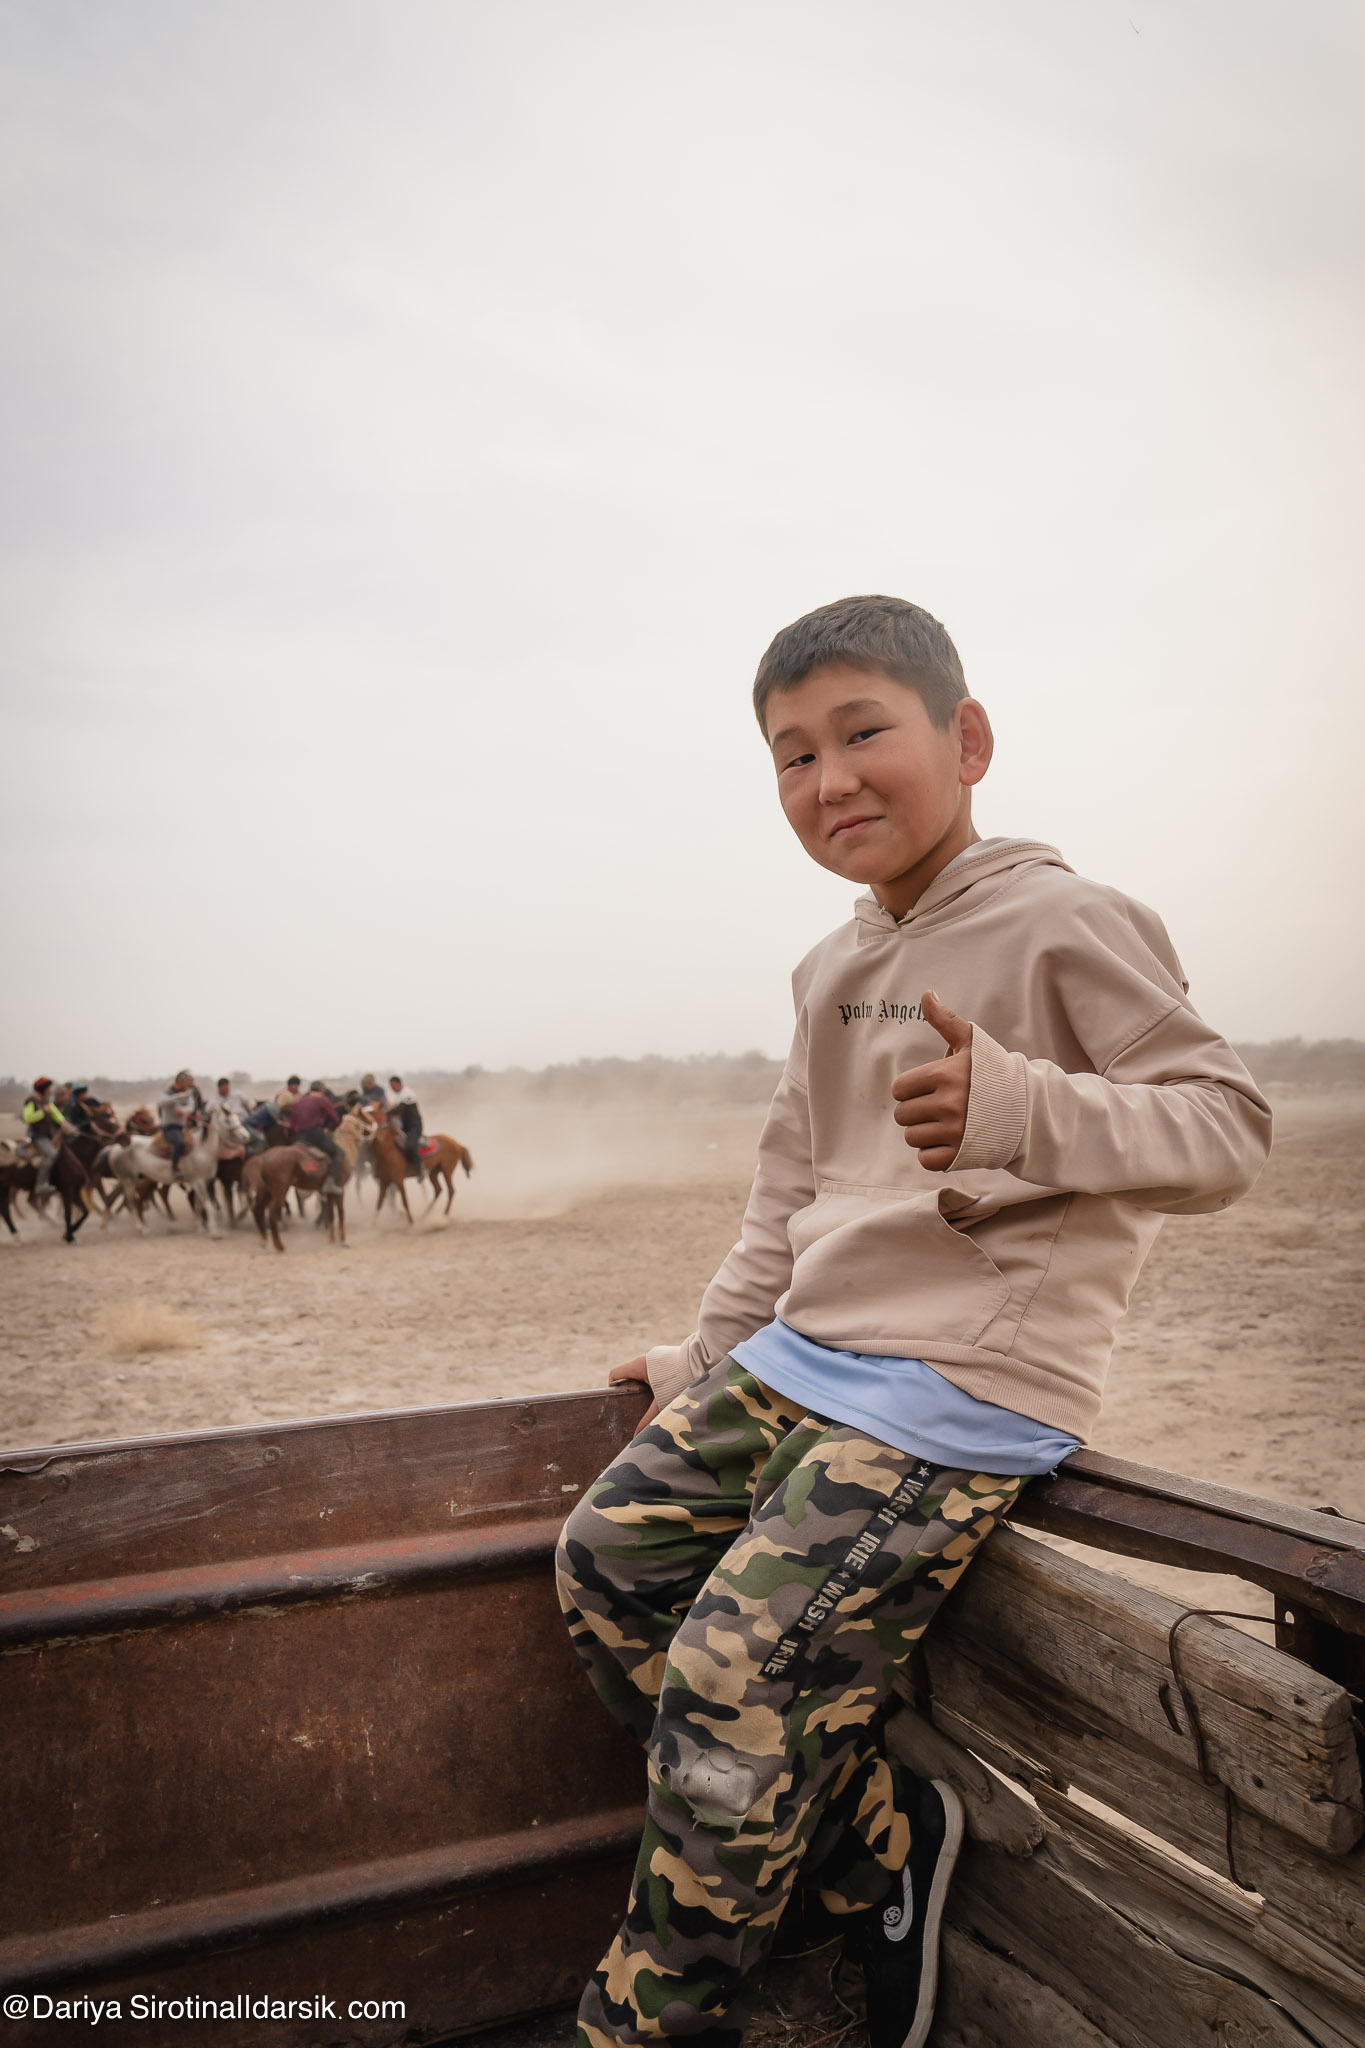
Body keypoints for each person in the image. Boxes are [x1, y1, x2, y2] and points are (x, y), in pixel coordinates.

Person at [555, 594, 1272, 2048]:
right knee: (606, 1562)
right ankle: (878, 1849)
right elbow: (791, 1185)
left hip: (960, 1381)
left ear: (968, 738)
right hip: (803, 1358)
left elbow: (1227, 1129)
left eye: (862, 732)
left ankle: (645, 2021)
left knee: (729, 1676)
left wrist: (1025, 1108)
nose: (829, 780)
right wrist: (704, 1356)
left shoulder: (1067, 919)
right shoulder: (831, 967)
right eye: (791, 754)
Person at [290, 1080, 344, 1191]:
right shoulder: (323, 1100)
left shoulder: (300, 1100)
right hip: (314, 1134)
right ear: (322, 1091)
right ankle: (329, 1183)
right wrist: (329, 1129)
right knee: (339, 1153)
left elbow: (292, 1122)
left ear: (310, 1090)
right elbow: (335, 1119)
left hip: (297, 1136)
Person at [21, 1078, 66, 1195]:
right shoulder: (31, 1101)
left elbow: (56, 1114)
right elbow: (27, 1118)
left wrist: (64, 1123)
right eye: (48, 1088)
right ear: (42, 1088)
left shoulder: (46, 1102)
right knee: (51, 1154)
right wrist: (43, 1112)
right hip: (37, 1136)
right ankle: (41, 1184)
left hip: (49, 1136)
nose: (49, 1090)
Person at [157, 1070, 205, 1173]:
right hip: (169, 1127)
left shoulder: (187, 1093)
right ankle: (174, 1168)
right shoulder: (168, 1092)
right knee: (179, 1143)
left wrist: (182, 1110)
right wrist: (177, 1096)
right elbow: (161, 1102)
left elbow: (191, 1106)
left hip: (183, 1128)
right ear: (180, 1081)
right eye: (187, 1082)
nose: (189, 1084)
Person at [387, 1075, 425, 1182]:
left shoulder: (407, 1093)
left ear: (399, 1083)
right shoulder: (398, 1096)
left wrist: (386, 1114)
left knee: (409, 1145)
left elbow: (399, 1109)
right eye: (391, 1087)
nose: (392, 1088)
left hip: (414, 1126)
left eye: (393, 1086)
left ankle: (420, 1170)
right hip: (405, 1127)